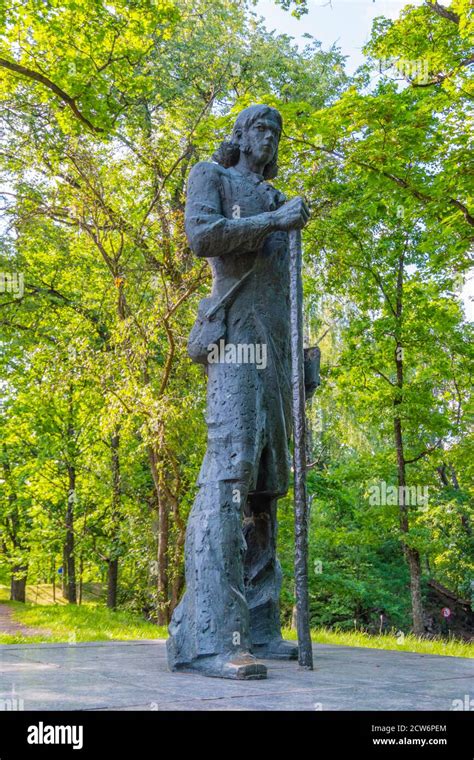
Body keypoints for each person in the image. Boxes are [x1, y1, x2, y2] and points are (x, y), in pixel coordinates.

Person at [167, 104, 310, 679]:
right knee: (229, 475)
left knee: (266, 491)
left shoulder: (280, 202)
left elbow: (283, 290)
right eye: (259, 127)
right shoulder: (212, 176)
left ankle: (258, 627)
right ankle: (209, 636)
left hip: (275, 355)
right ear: (240, 135)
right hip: (233, 347)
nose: (269, 137)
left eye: (276, 131)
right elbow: (202, 236)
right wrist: (271, 224)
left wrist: (302, 359)